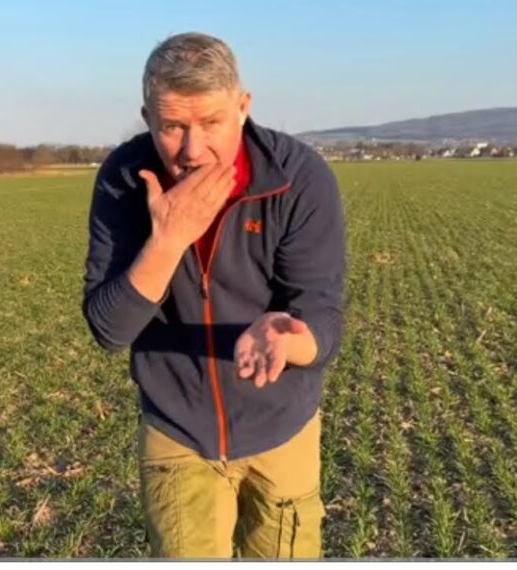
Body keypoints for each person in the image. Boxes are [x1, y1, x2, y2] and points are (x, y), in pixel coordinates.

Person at [82, 32, 346, 559]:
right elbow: (110, 330)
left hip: (282, 427)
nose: (191, 149)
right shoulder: (124, 180)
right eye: (172, 126)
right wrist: (167, 240)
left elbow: (323, 320)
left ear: (243, 107)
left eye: (211, 123)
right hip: (177, 428)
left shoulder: (298, 178)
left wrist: (285, 337)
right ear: (147, 116)